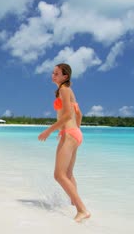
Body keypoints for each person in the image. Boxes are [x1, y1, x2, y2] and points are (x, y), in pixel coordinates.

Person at [38, 63, 90, 222]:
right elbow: (78, 114)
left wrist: (49, 130)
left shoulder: (64, 90)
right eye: (53, 73)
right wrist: (76, 131)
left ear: (65, 76)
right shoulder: (67, 91)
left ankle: (82, 210)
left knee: (59, 175)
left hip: (70, 134)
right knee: (68, 174)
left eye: (57, 73)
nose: (53, 75)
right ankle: (74, 203)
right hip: (74, 134)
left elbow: (67, 116)